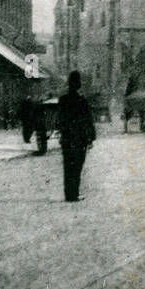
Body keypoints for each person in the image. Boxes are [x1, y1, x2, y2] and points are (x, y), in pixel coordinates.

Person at [57, 71, 96, 202]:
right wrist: (90, 138)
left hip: (67, 138)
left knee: (67, 166)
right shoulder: (82, 101)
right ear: (79, 85)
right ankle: (75, 194)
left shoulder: (62, 100)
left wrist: (62, 133)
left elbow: (60, 120)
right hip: (79, 139)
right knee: (77, 167)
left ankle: (68, 194)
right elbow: (88, 121)